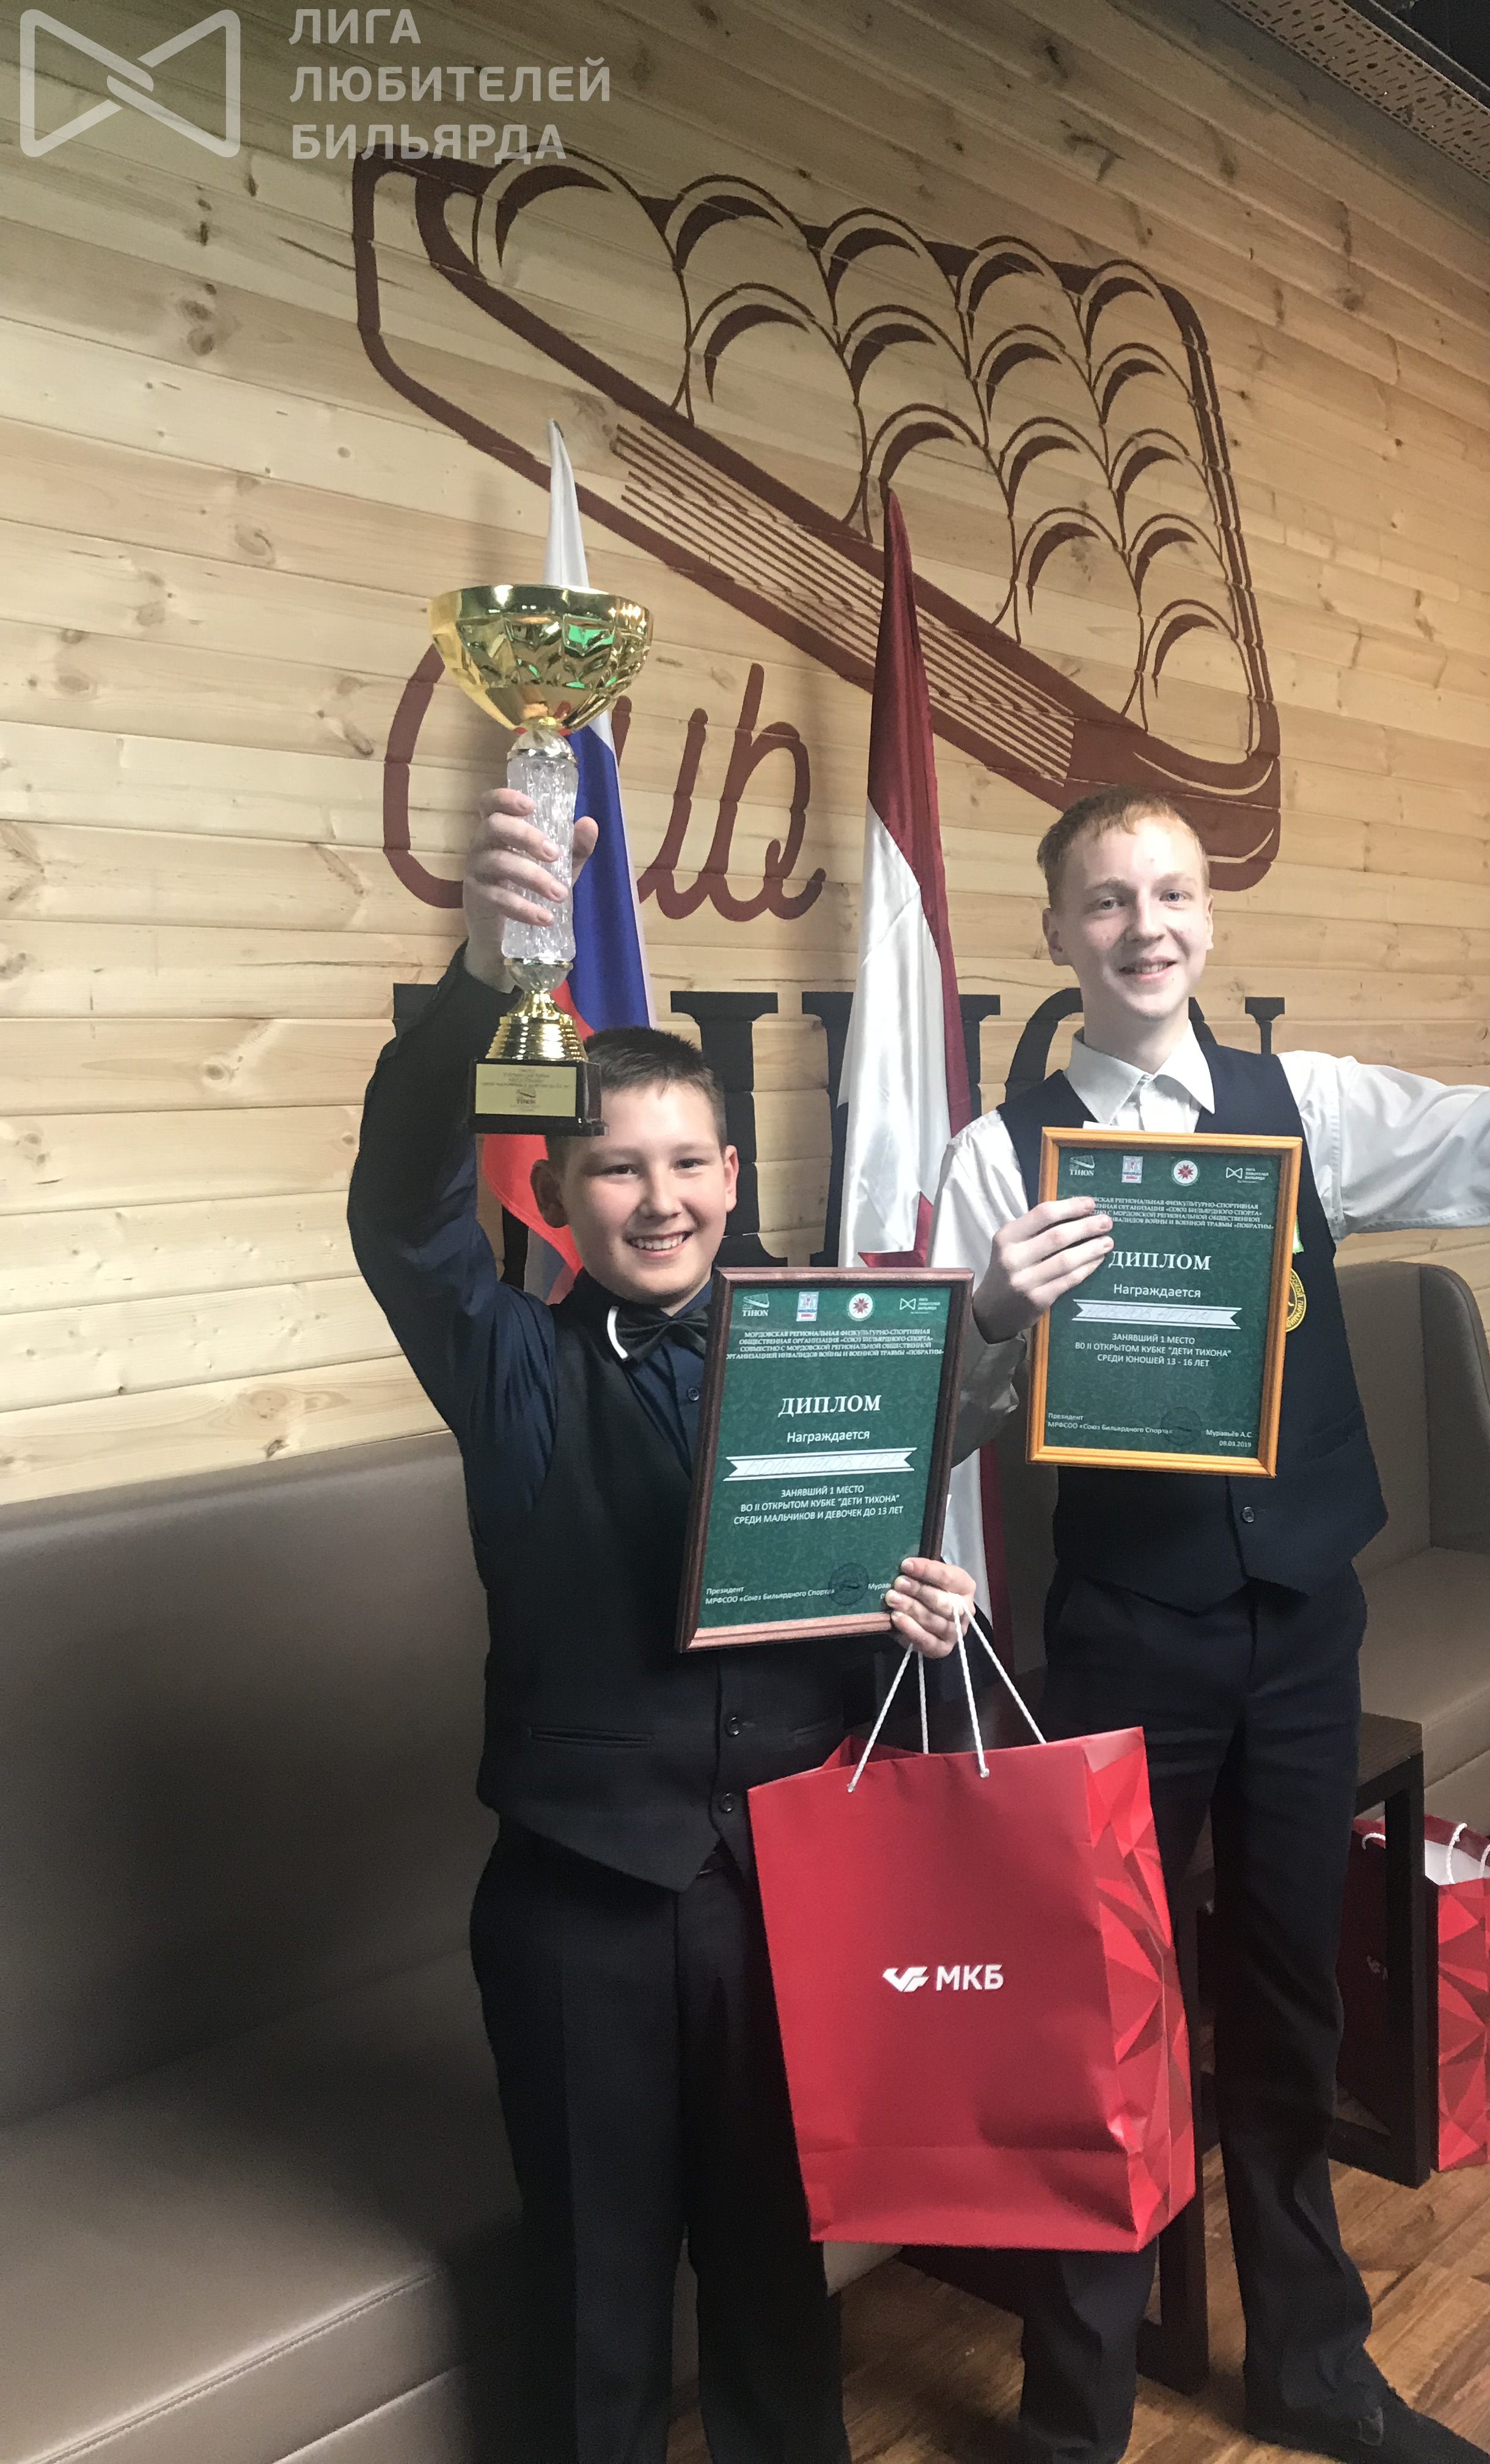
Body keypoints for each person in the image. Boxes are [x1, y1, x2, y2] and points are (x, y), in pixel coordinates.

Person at [927, 765, 1490, 2464]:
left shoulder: (1310, 1105)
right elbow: (942, 1431)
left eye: (1171, 894)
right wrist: (987, 1316)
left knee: (1290, 1999)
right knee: (1100, 2016)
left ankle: (1313, 2370)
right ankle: (1074, 2416)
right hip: (1126, 1634)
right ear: (1056, 933)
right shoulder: (995, 1157)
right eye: (1108, 901)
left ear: (1207, 920)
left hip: (1301, 1630)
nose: (1144, 927)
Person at [348, 785, 976, 2464]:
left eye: (688, 1161)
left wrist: (915, 1613)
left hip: (790, 1888)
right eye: (617, 1167)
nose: (660, 1196)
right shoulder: (506, 1365)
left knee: (777, 2278)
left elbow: (851, 1598)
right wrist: (483, 980)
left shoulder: (828, 1347)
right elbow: (397, 1212)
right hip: (581, 1909)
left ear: (732, 1172)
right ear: (559, 1195)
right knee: (597, 2303)